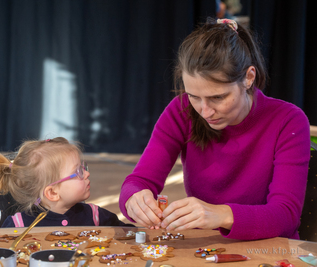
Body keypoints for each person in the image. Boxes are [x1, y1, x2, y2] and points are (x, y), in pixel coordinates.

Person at [119, 18, 310, 241]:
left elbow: (285, 217)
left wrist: (220, 214)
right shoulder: (181, 110)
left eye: (218, 97)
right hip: (207, 247)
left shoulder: (289, 120)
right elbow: (138, 182)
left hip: (270, 249)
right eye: (193, 96)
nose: (205, 111)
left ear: (249, 77)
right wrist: (134, 199)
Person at [0, 137, 133, 232]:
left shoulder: (96, 216)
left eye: (84, 167)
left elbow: (129, 235)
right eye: (78, 171)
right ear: (52, 192)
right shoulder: (17, 226)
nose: (86, 173)